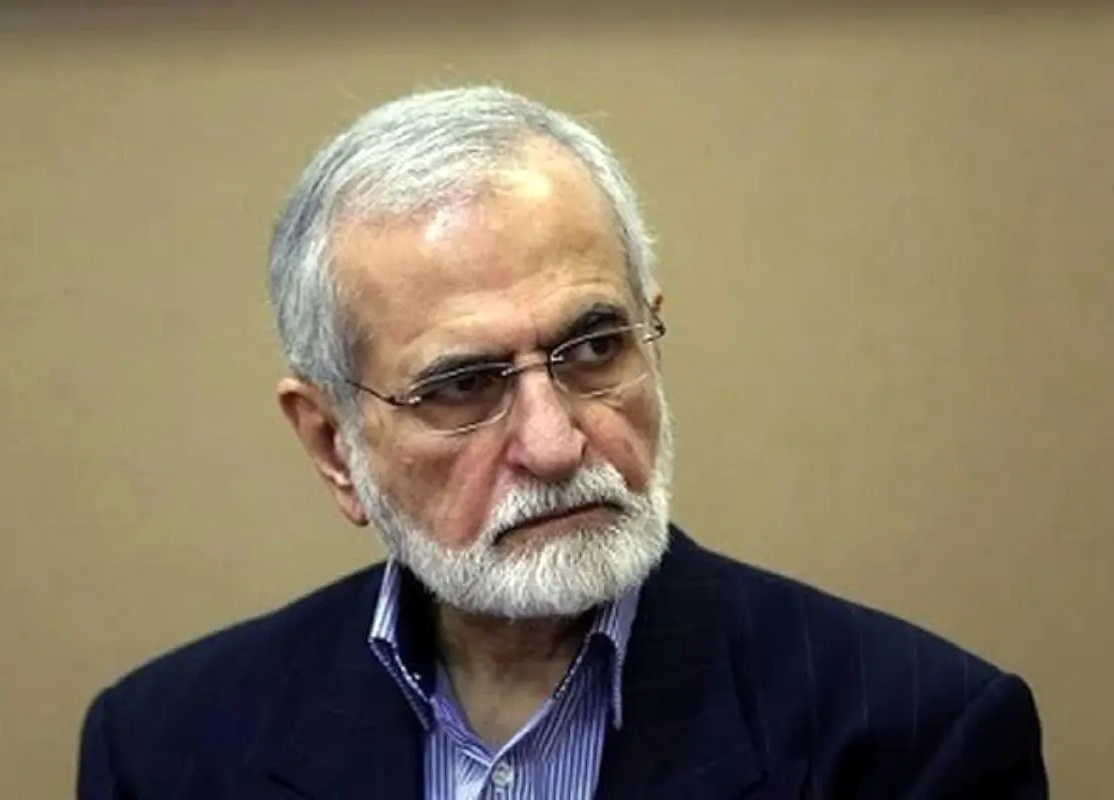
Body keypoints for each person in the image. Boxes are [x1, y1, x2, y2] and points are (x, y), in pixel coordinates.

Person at [77, 85, 1047, 799]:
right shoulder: (163, 748)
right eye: (462, 385)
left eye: (592, 348)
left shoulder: (915, 738)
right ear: (333, 444)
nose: (554, 444)